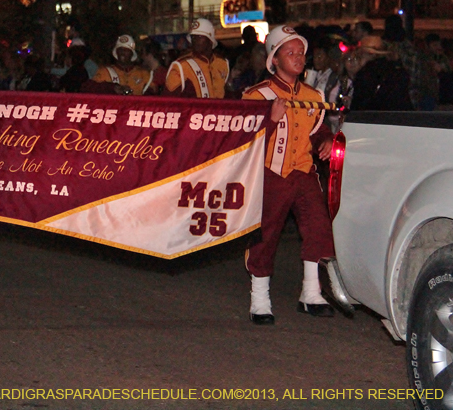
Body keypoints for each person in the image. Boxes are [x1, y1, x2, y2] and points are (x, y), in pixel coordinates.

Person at [242, 25, 336, 325]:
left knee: (318, 227)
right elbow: (243, 139)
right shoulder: (257, 95)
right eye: (290, 52)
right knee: (265, 235)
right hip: (271, 174)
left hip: (304, 171)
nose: (298, 58)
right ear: (274, 59)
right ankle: (259, 299)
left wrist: (326, 140)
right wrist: (270, 120)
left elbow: (318, 130)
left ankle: (311, 292)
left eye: (301, 53)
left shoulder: (313, 95)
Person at [162, 18, 229, 98]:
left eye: (199, 36)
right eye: (193, 37)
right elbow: (167, 100)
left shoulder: (222, 64)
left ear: (210, 40)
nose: (195, 40)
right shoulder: (181, 66)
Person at [350, 35, 413, 111]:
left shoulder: (366, 74)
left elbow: (359, 106)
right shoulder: (397, 70)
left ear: (369, 55)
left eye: (360, 56)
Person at [80, 35, 152, 96]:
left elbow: (153, 95)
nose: (122, 52)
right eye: (120, 49)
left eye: (126, 50)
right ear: (116, 52)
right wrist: (112, 88)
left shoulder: (143, 74)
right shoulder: (105, 72)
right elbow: (86, 88)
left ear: (132, 53)